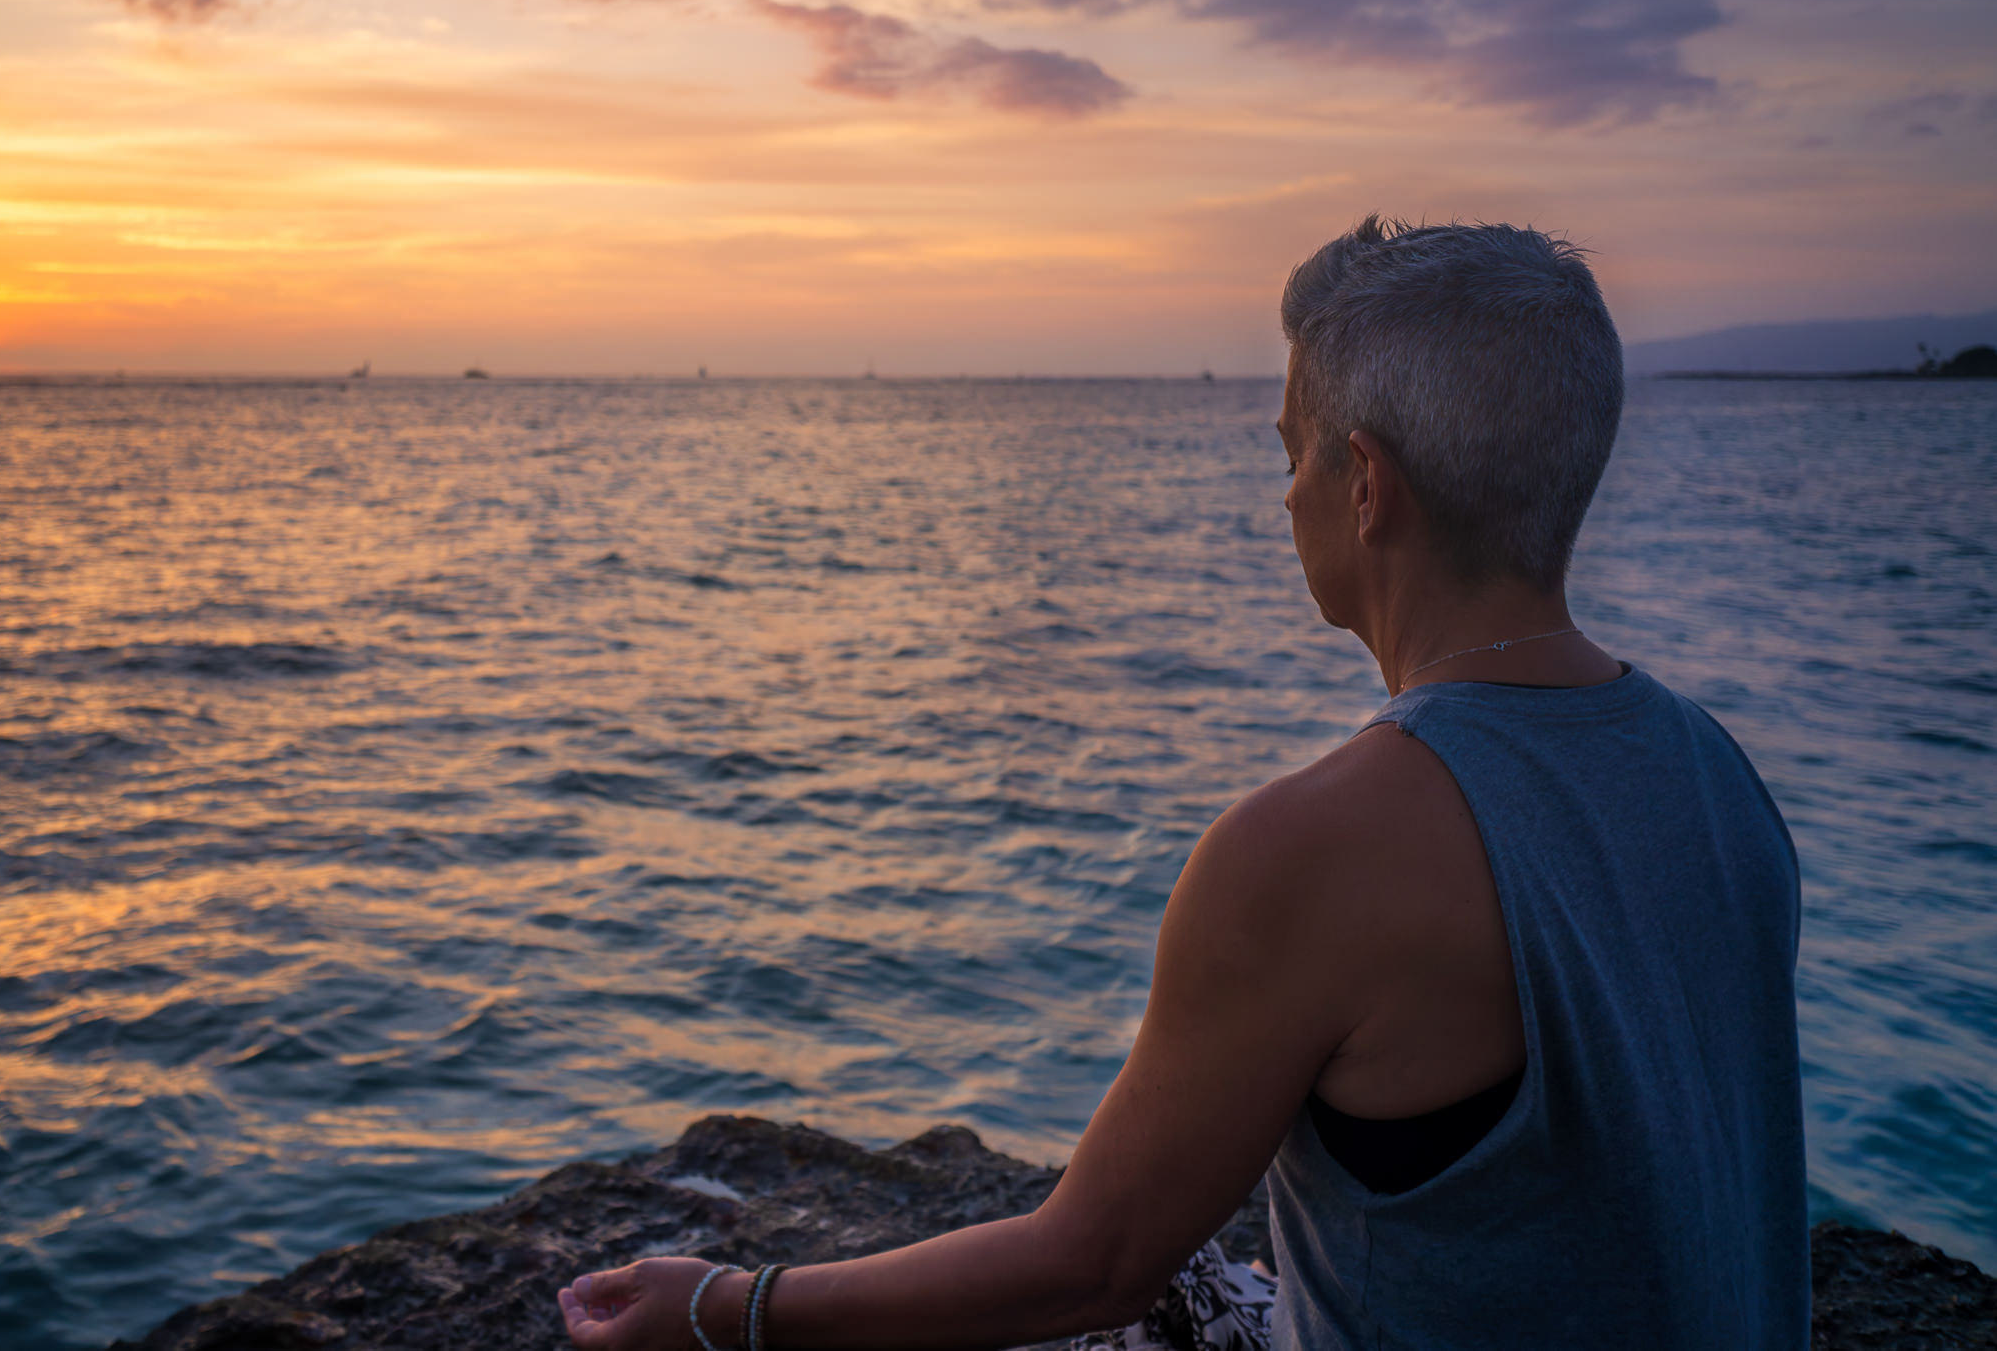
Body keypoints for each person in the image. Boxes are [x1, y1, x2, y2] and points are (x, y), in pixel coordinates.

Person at [560, 218, 1808, 1351]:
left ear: (1366, 486)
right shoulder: (1714, 768)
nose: (1284, 494)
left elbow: (1087, 1263)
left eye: (1294, 455)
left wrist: (728, 1308)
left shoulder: (1314, 851)